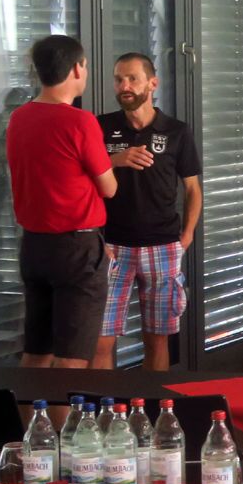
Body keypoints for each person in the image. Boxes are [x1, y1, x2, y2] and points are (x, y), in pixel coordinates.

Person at [6, 35, 117, 369]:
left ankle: (29, 407)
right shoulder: (80, 121)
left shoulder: (19, 118)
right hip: (76, 248)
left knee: (37, 351)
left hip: (34, 246)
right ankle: (69, 409)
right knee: (72, 360)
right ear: (77, 69)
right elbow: (109, 187)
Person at [94, 53, 202, 371]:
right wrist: (115, 160)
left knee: (157, 340)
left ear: (153, 83)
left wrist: (186, 236)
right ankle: (103, 404)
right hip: (111, 246)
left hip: (162, 245)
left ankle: (153, 403)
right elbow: (83, 178)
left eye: (132, 79)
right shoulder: (101, 127)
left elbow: (193, 189)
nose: (124, 86)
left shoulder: (177, 131)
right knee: (100, 341)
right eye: (118, 79)